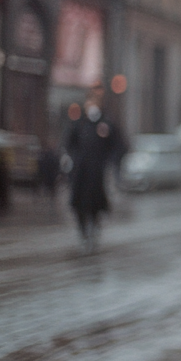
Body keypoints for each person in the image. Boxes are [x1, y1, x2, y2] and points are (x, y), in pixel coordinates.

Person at [64, 84, 122, 252]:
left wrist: (109, 161)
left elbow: (117, 145)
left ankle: (93, 230)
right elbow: (69, 142)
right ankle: (83, 233)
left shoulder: (107, 123)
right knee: (79, 205)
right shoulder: (79, 123)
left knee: (94, 205)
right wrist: (73, 159)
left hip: (96, 173)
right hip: (80, 172)